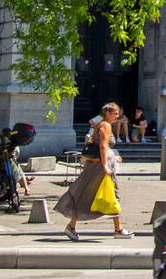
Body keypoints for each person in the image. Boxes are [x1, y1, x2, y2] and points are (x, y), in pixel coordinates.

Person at [55, 102, 133, 241]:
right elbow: (103, 147)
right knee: (110, 195)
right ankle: (118, 230)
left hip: (97, 167)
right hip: (100, 169)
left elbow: (101, 147)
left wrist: (113, 157)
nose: (117, 116)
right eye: (115, 113)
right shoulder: (106, 126)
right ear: (107, 113)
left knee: (87, 195)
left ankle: (72, 226)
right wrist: (105, 166)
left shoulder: (100, 124)